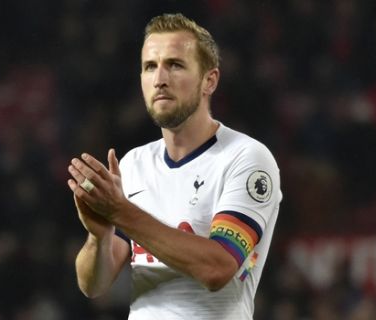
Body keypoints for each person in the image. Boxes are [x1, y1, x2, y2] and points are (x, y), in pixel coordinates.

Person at [67, 13, 282, 320]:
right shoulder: (134, 164)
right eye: (149, 67)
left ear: (209, 80)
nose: (160, 78)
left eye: (175, 65)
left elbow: (217, 268)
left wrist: (120, 212)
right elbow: (93, 286)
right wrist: (98, 237)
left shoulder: (246, 158)